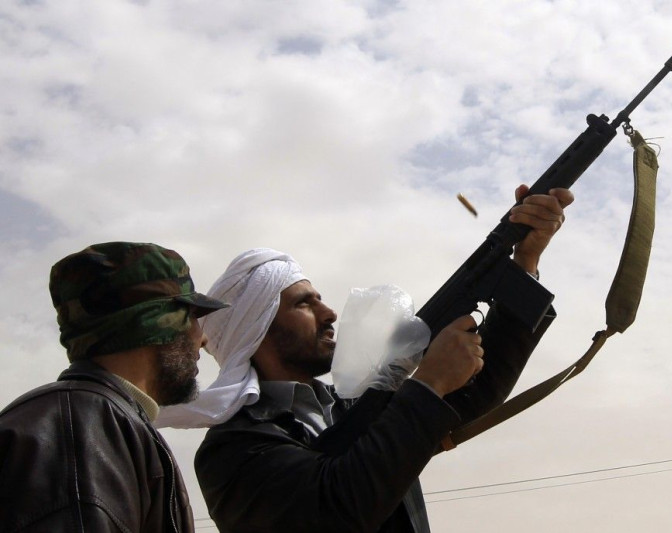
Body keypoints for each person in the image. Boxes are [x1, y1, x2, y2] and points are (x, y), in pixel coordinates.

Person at [157, 186, 574, 532]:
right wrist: (425, 385)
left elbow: (474, 395)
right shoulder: (233, 450)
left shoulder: (350, 406)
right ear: (258, 329)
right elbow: (337, 509)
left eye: (320, 299)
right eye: (304, 304)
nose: (329, 312)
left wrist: (525, 262)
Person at [0, 242, 228, 532]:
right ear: (155, 323)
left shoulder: (95, 421)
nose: (202, 339)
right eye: (192, 317)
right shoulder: (82, 432)